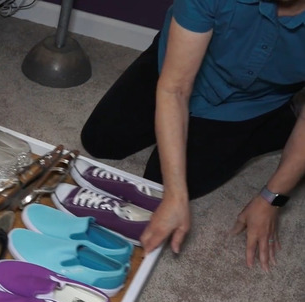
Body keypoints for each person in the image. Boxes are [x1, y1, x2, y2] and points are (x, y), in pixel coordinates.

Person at [80, 0, 305, 272]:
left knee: (157, 182)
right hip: (180, 63)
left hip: (249, 102)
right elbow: (174, 89)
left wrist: (273, 197)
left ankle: (274, 124)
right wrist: (176, 195)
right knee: (99, 140)